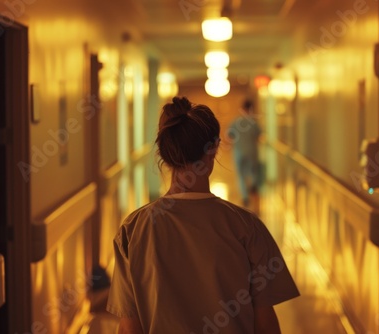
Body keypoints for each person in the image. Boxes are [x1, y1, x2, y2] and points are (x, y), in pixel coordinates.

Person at [106, 96, 299, 334]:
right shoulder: (247, 227)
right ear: (214, 148)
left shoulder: (134, 230)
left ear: (163, 152)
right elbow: (265, 325)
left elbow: (129, 328)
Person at [227, 99, 262, 208]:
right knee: (252, 172)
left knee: (241, 175)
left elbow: (229, 136)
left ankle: (245, 197)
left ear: (242, 109)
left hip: (239, 152)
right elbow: (259, 136)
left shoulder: (235, 122)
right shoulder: (254, 123)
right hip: (252, 152)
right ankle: (253, 186)